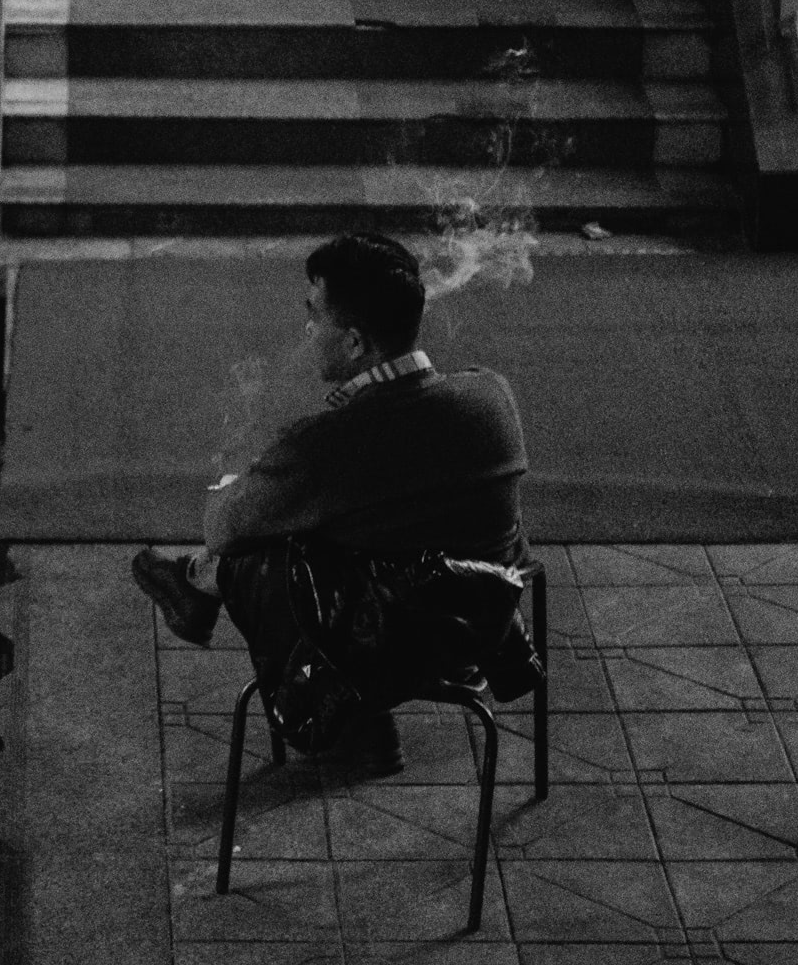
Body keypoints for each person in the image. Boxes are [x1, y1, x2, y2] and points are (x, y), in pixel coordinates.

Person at [132, 231, 529, 775]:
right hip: (484, 628)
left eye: (315, 316)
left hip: (380, 647)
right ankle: (197, 589)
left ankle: (344, 713)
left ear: (353, 343)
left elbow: (223, 526)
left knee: (262, 551)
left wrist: (238, 482)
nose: (306, 329)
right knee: (344, 532)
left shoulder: (326, 444)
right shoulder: (491, 395)